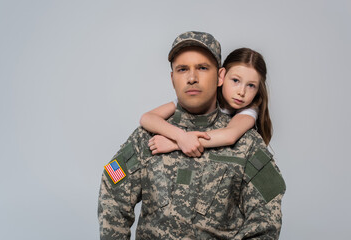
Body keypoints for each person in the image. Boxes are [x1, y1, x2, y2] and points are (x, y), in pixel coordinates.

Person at [98, 31, 286, 239]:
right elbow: (113, 185)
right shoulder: (146, 137)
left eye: (203, 68)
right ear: (172, 78)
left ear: (220, 76)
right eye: (182, 69)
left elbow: (266, 217)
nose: (192, 78)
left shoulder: (247, 142)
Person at [140, 47, 271, 159]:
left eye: (251, 85)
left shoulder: (249, 110)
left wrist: (176, 144)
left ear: (258, 89)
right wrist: (180, 137)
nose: (242, 92)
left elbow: (229, 135)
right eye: (236, 80)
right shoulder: (202, 98)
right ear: (222, 77)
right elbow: (147, 118)